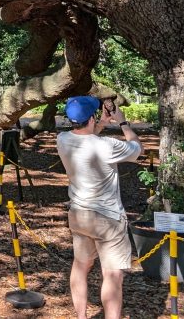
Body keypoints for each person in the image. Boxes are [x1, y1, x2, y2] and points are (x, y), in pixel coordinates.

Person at [57, 95, 142, 319]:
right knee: (112, 274)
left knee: (80, 265)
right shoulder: (107, 146)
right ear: (91, 117)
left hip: (78, 215)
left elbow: (84, 140)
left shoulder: (63, 139)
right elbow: (136, 148)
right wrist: (123, 122)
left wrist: (101, 123)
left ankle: (81, 316)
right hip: (108, 219)